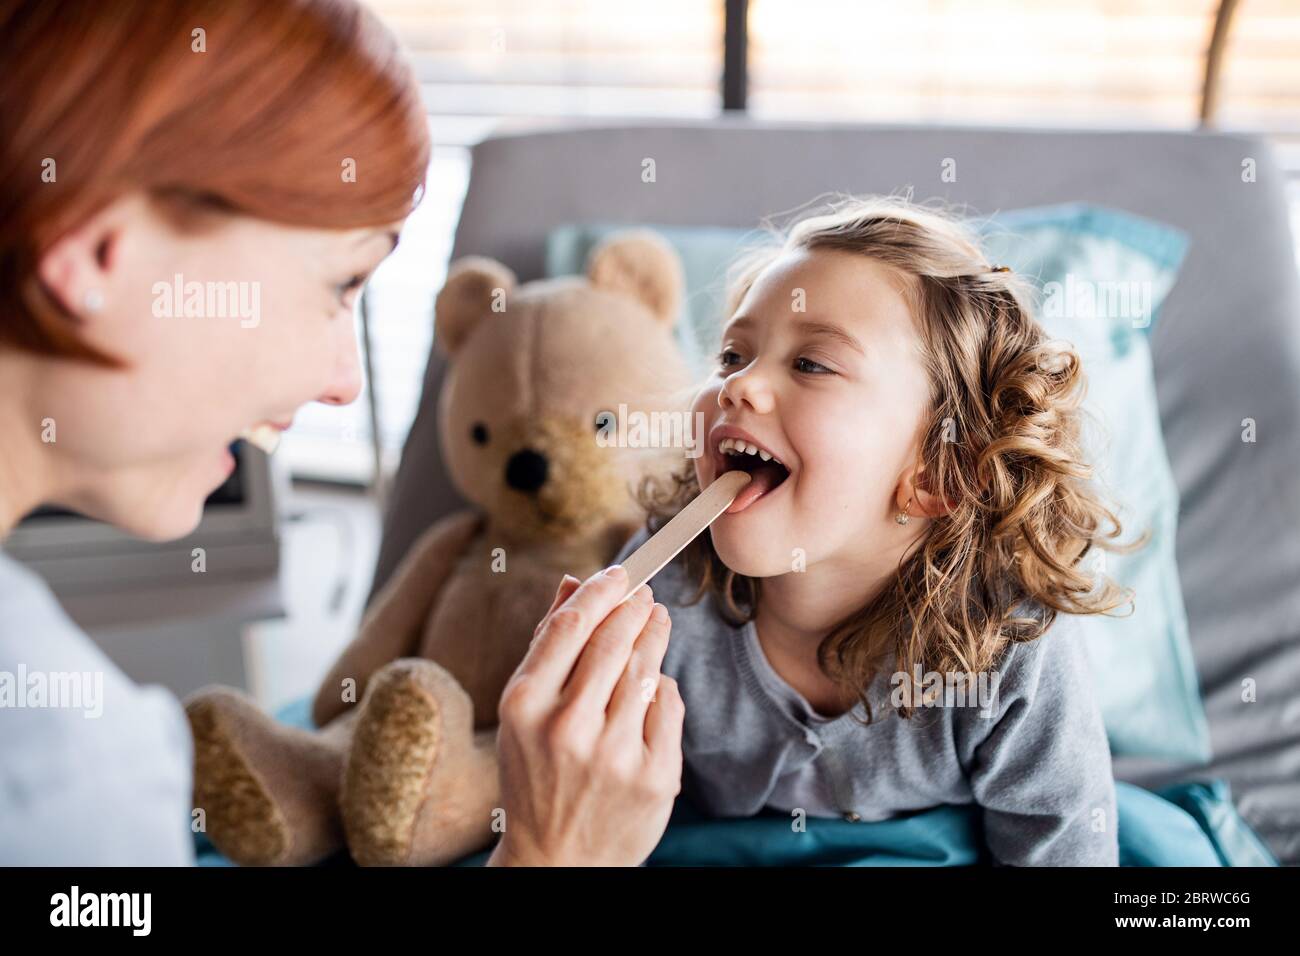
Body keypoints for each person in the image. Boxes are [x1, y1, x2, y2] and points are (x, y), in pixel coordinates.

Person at [0, 0, 681, 867]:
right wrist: (553, 854)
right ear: (101, 249)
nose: (343, 382)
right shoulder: (70, 777)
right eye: (339, 284)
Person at [615, 196, 1133, 865]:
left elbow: (1060, 846)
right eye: (732, 355)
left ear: (937, 475)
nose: (739, 387)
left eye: (811, 363)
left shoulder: (1010, 644)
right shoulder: (663, 593)